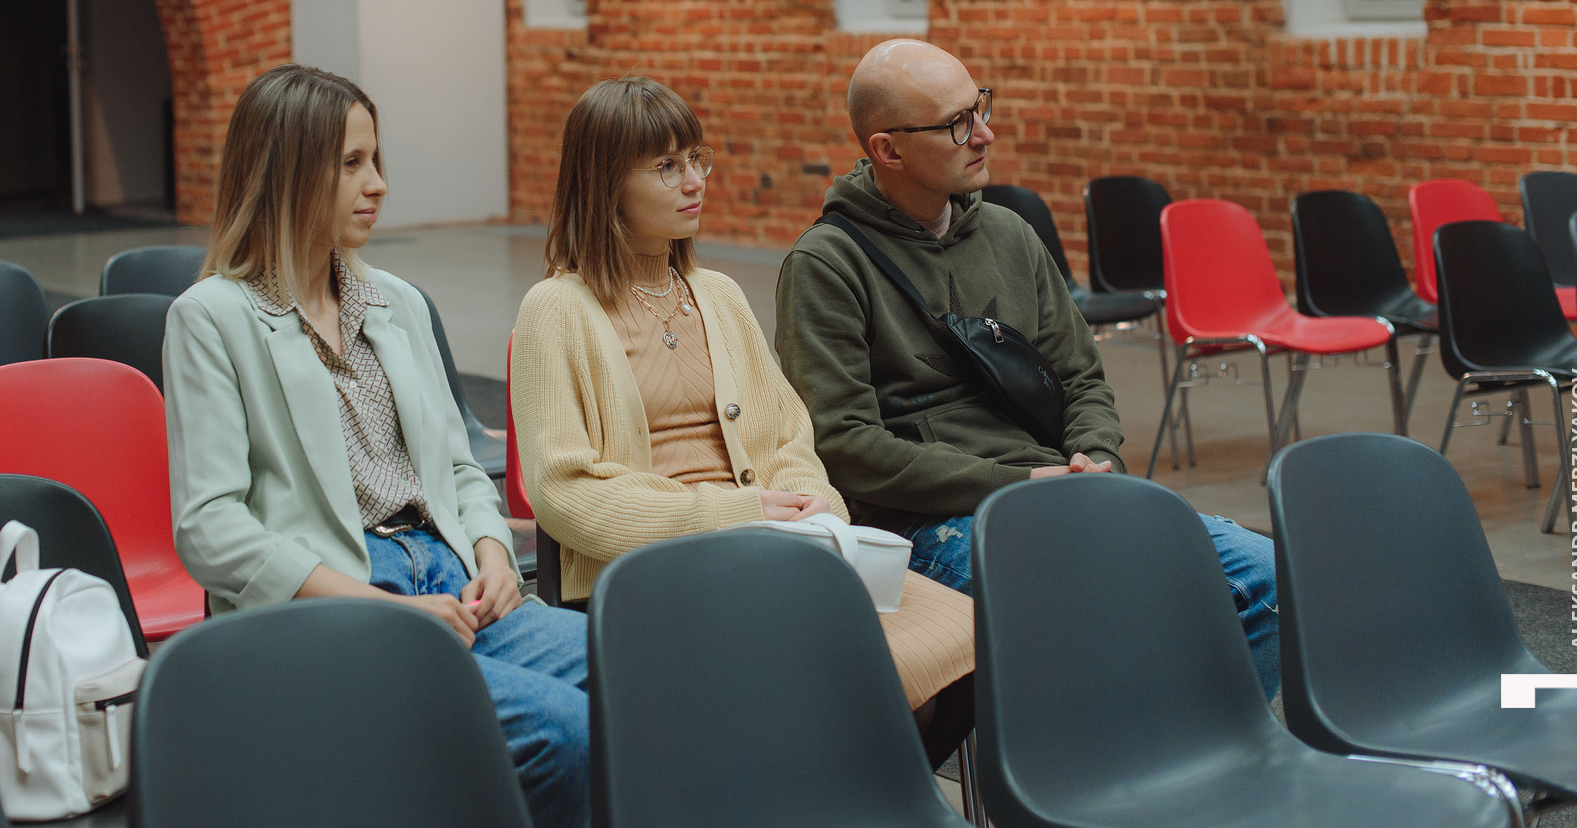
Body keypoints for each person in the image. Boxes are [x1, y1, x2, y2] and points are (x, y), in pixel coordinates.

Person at [775, 39, 1281, 698]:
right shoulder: (826, 266)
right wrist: (1018, 483)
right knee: (1113, 605)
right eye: (956, 124)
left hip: (1059, 488)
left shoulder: (1010, 234)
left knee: (1267, 577)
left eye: (979, 107)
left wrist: (1095, 458)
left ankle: (1202, 748)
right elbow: (845, 446)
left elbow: (1081, 377)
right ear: (888, 150)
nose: (984, 134)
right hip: (928, 522)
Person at [162, 64, 589, 828]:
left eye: (377, 159)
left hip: (455, 582)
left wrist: (494, 556)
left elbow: (459, 469)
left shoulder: (398, 302)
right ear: (289, 174)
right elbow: (210, 529)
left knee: (640, 676)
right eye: (352, 163)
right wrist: (384, 610)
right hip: (335, 602)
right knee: (565, 732)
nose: (379, 183)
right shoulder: (211, 317)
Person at [509, 76, 978, 767]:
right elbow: (566, 492)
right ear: (605, 184)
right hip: (649, 572)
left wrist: (812, 507)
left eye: (696, 159)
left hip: (768, 549)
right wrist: (736, 514)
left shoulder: (718, 295)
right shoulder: (556, 310)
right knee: (854, 669)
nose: (693, 181)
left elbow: (786, 435)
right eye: (666, 166)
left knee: (970, 638)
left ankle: (852, 791)